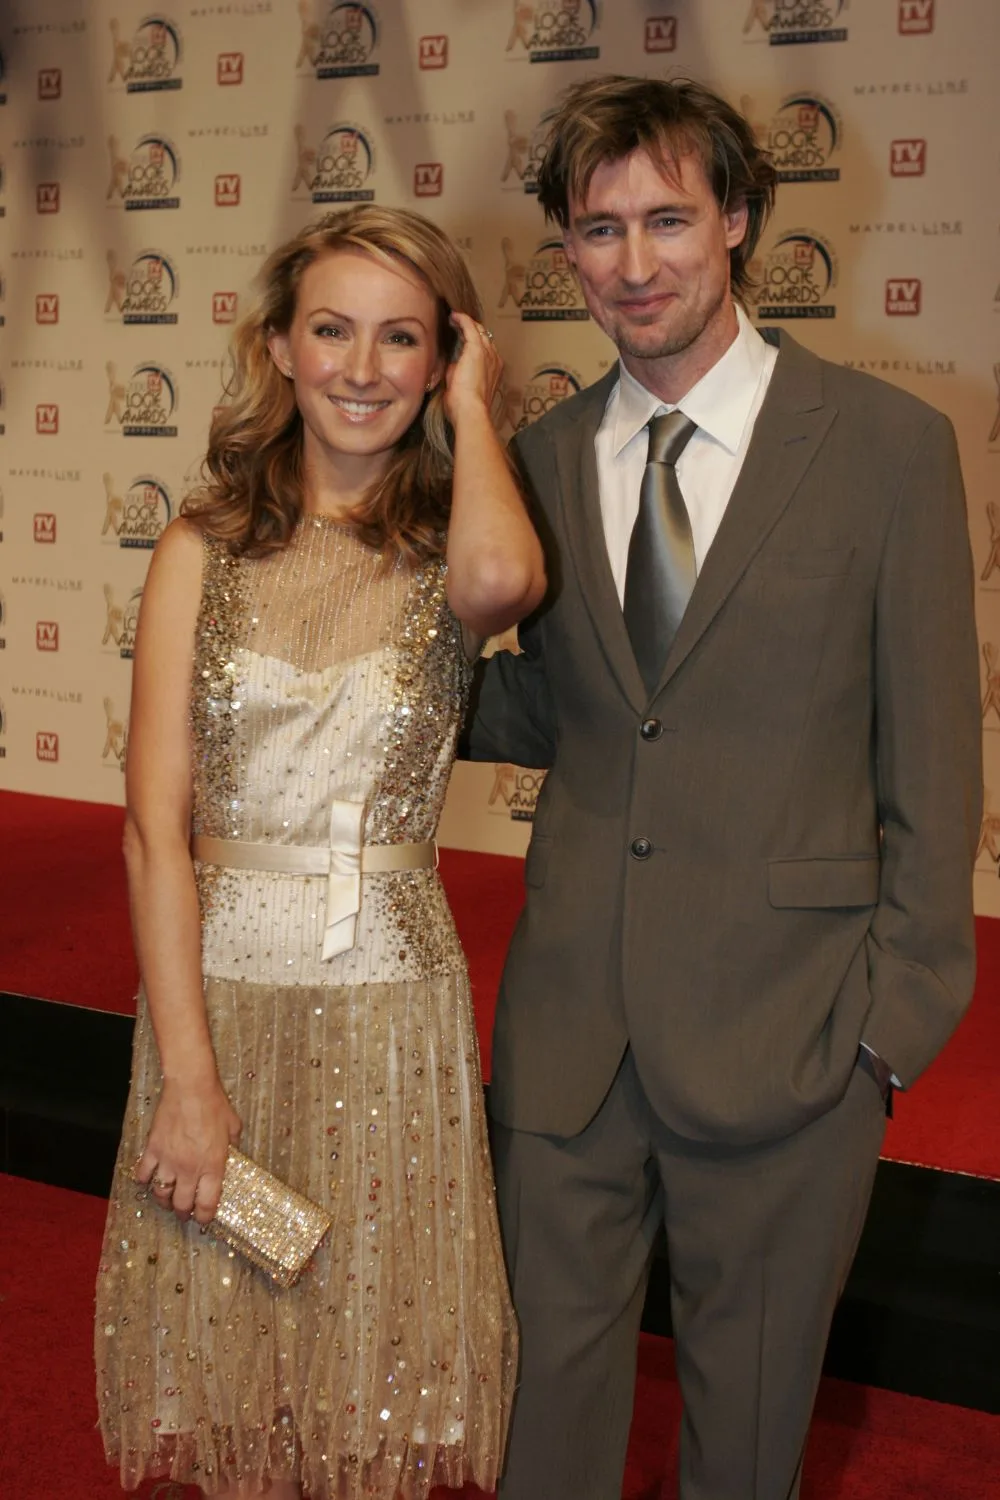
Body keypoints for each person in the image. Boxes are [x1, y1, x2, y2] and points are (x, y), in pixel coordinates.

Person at [469, 75, 982, 1499]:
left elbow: (936, 766)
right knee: (541, 1439)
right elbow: (556, 707)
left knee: (746, 1449)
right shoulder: (542, 463)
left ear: (741, 221)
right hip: (571, 1035)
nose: (634, 264)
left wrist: (892, 1025)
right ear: (565, 249)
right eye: (598, 228)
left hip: (794, 1040)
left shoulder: (889, 453)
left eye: (669, 220)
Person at [95, 205, 545, 1500]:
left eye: (401, 338)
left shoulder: (444, 549)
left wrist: (477, 413)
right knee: (239, 1375)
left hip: (392, 1017)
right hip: (218, 1007)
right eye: (332, 329)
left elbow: (507, 583)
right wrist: (188, 1077)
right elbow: (152, 832)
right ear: (281, 349)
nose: (360, 367)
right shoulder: (201, 549)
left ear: (442, 355)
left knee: (371, 1388)